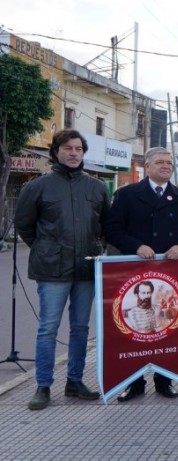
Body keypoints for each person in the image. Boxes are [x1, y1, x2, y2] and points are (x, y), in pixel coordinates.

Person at [14, 129, 110, 410]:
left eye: (78, 149)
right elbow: (24, 225)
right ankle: (43, 386)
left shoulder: (97, 187)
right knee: (48, 328)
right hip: (51, 270)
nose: (73, 153)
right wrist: (46, 248)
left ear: (83, 152)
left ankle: (75, 381)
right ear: (55, 151)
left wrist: (96, 247)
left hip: (86, 268)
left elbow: (107, 224)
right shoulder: (37, 186)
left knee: (80, 328)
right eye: (67, 148)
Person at [104, 146, 178, 401]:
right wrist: (136, 246)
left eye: (169, 163)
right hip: (135, 273)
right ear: (148, 165)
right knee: (134, 329)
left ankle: (164, 380)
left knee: (165, 326)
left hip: (168, 275)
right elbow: (112, 229)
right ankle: (133, 382)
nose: (166, 166)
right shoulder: (127, 195)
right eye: (160, 162)